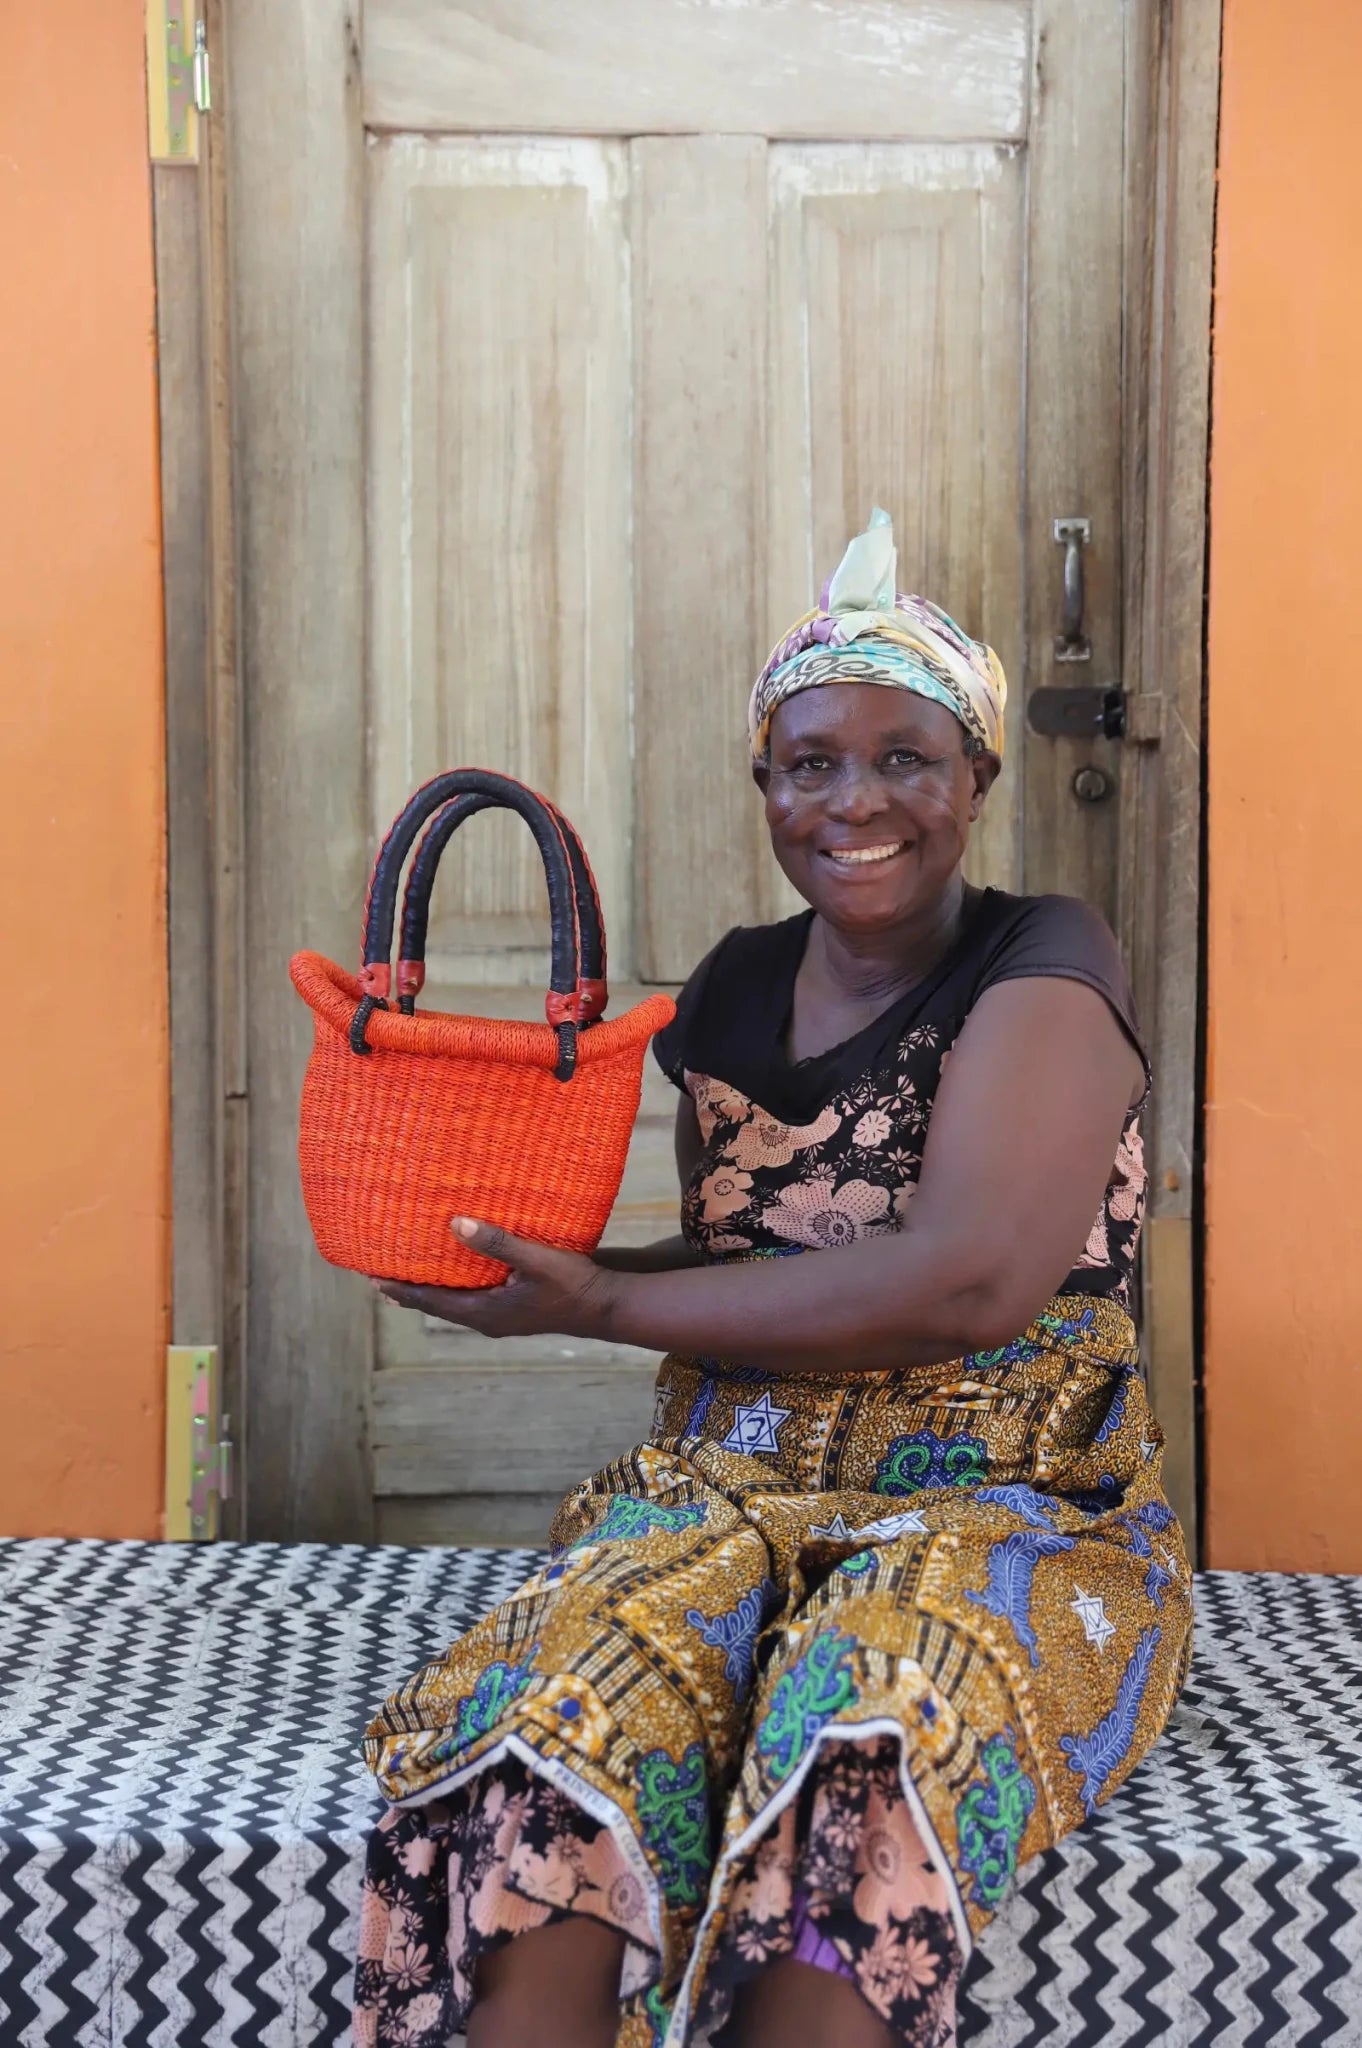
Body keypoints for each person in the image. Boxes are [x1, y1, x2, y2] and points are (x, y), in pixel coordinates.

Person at [354, 509, 1192, 2048]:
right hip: (722, 1486)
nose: (854, 799)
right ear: (764, 787)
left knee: (869, 1725)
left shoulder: (1043, 959)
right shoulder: (734, 981)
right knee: (564, 1714)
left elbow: (965, 1284)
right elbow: (755, 1260)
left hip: (1004, 1497)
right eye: (810, 762)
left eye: (905, 758)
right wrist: (563, 1272)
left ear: (977, 783)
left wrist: (596, 1308)